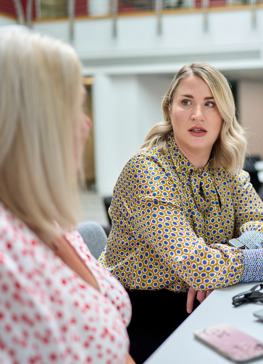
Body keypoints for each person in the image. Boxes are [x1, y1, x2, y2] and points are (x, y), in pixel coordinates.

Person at [99, 62, 263, 363]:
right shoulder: (147, 171)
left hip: (210, 296)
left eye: (210, 104)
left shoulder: (226, 171)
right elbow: (199, 266)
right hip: (142, 314)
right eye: (186, 102)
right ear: (169, 110)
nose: (197, 114)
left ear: (224, 115)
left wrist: (225, 253)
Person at [0, 26, 134, 363]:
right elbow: (191, 260)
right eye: (74, 108)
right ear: (33, 123)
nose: (86, 124)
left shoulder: (54, 221)